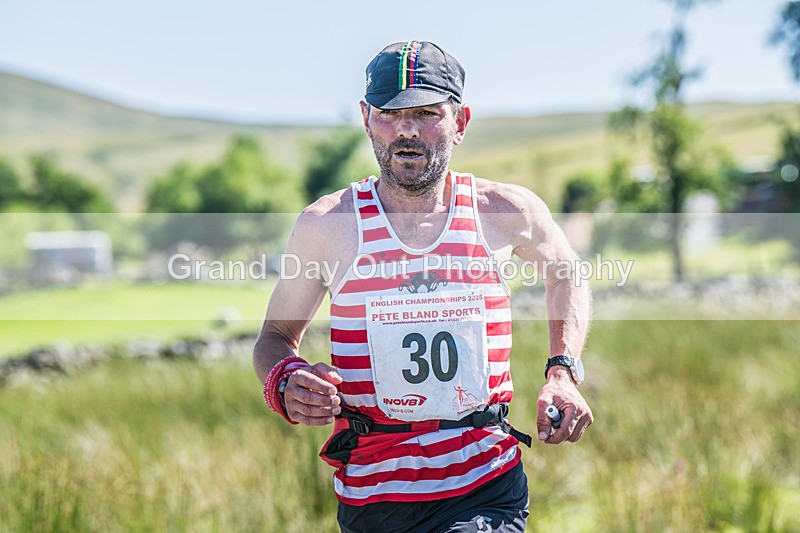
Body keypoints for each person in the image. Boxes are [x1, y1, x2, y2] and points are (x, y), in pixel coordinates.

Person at [253, 40, 593, 533]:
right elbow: (274, 339)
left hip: (485, 485)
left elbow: (567, 273)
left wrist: (562, 371)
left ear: (461, 123)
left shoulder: (505, 212)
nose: (407, 129)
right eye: (390, 114)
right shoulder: (327, 226)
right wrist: (286, 382)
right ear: (366, 119)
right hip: (372, 495)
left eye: (427, 113)